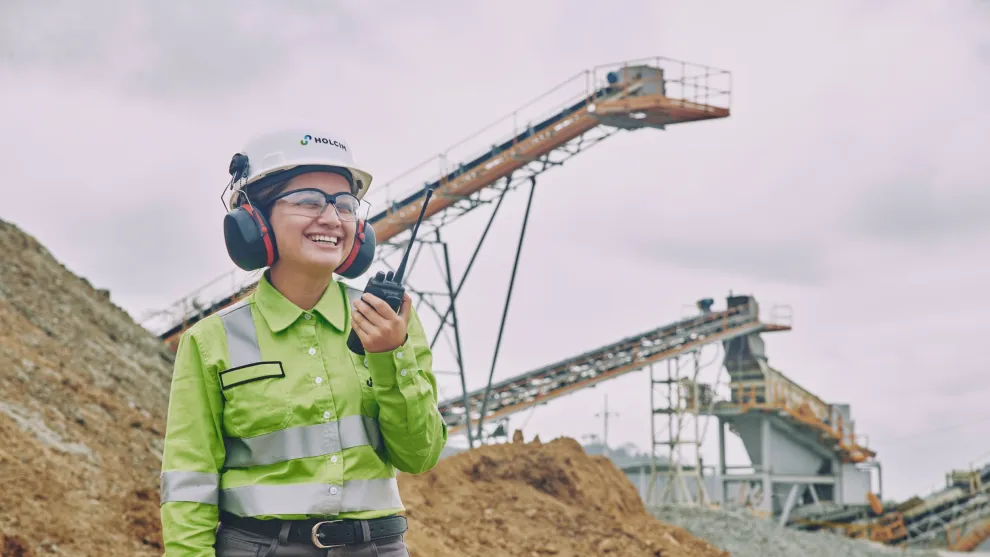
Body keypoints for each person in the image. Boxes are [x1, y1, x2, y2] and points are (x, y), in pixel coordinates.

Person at [159, 129, 448, 557]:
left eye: (345, 205)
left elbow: (419, 456)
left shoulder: (391, 323)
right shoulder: (210, 341)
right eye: (309, 201)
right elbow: (189, 482)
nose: (332, 219)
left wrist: (390, 356)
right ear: (253, 219)